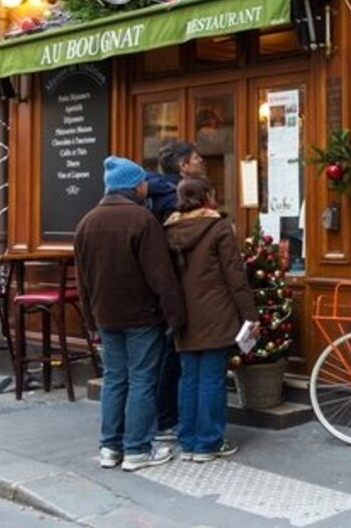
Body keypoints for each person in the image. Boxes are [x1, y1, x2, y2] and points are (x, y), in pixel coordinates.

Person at [74, 156, 186, 472]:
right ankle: (137, 449)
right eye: (141, 182)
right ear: (132, 186)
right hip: (142, 316)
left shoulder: (87, 222)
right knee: (141, 380)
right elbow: (160, 275)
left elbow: (82, 281)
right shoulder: (142, 219)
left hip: (106, 316)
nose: (145, 186)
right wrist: (175, 316)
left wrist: (90, 318)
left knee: (114, 380)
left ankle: (110, 447)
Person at [164, 177, 258, 462]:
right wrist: (250, 316)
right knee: (212, 379)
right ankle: (208, 442)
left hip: (185, 315)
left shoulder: (169, 230)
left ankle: (189, 441)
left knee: (189, 377)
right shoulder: (218, 227)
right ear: (206, 196)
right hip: (217, 312)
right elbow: (235, 277)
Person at [144, 140, 205, 443]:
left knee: (161, 352)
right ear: (183, 167)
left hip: (154, 285)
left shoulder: (154, 194)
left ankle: (159, 418)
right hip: (175, 285)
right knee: (172, 352)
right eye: (196, 158)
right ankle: (167, 419)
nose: (201, 161)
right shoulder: (171, 199)